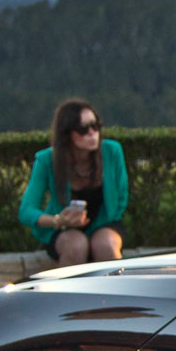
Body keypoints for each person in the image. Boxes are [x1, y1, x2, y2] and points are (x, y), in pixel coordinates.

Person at [20, 99, 128, 264]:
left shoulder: (112, 151)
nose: (92, 133)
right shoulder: (47, 160)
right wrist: (57, 220)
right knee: (75, 246)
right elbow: (26, 210)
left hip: (106, 223)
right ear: (66, 134)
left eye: (95, 125)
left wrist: (95, 229)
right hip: (63, 229)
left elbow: (121, 198)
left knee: (105, 246)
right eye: (83, 129)